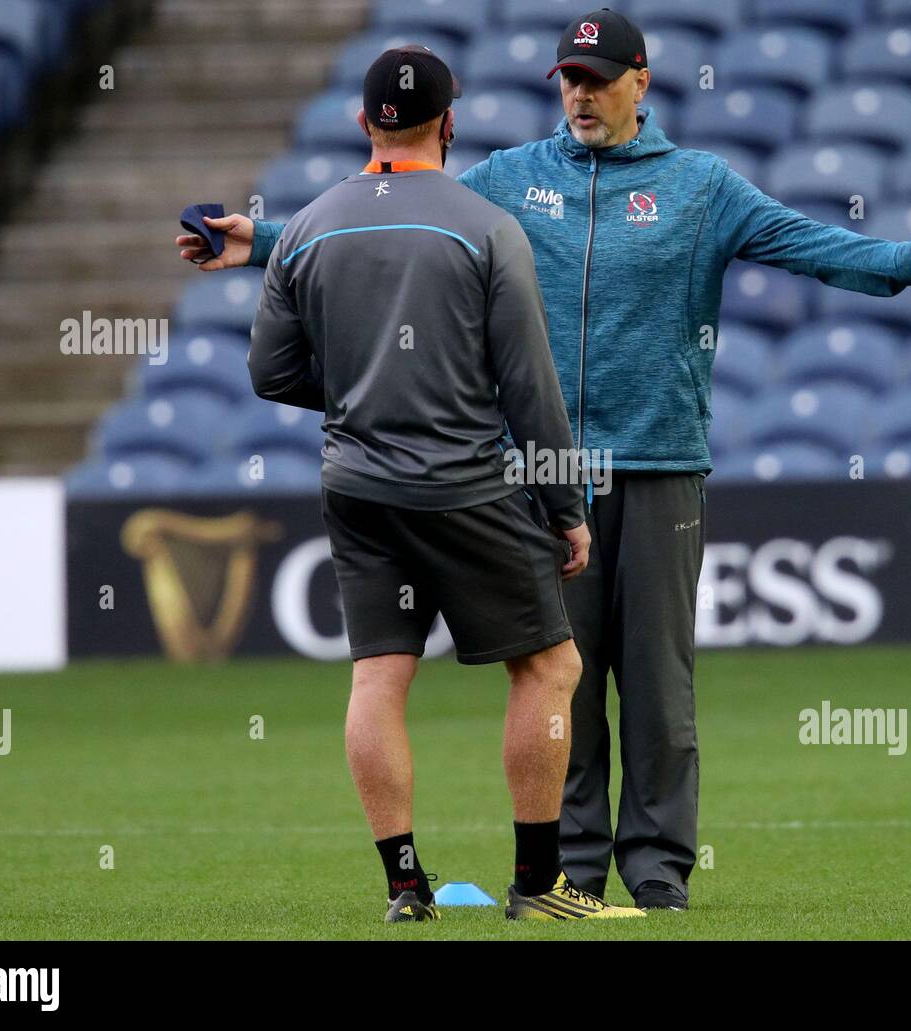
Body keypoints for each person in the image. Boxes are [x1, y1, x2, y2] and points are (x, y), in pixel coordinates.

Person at [179, 9, 911, 911]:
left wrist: (904, 261)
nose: (581, 92)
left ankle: (657, 874)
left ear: (641, 83)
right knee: (558, 676)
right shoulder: (508, 179)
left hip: (658, 465)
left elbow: (802, 243)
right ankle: (569, 871)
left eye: (599, 77)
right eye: (569, 77)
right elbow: (390, 215)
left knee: (656, 688)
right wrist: (257, 242)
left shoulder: (702, 187)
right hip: (540, 477)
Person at [245, 44, 642, 922]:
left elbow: (270, 373)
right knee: (550, 665)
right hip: (463, 483)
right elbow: (530, 387)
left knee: (378, 678)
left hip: (355, 485)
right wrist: (566, 510)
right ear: (450, 123)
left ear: (364, 123)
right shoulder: (485, 226)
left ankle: (404, 886)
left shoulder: (306, 228)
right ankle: (540, 887)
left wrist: (363, 387)